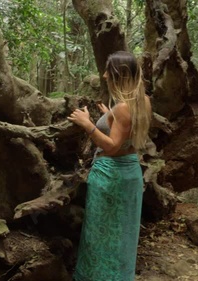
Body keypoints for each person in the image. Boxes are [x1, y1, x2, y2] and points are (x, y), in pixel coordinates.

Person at [67, 51, 152, 281]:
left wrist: (87, 124)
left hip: (111, 178)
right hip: (131, 174)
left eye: (108, 71)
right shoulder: (142, 101)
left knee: (100, 238)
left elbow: (113, 146)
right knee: (122, 236)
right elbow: (126, 128)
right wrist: (108, 117)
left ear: (119, 75)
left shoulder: (123, 108)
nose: (104, 76)